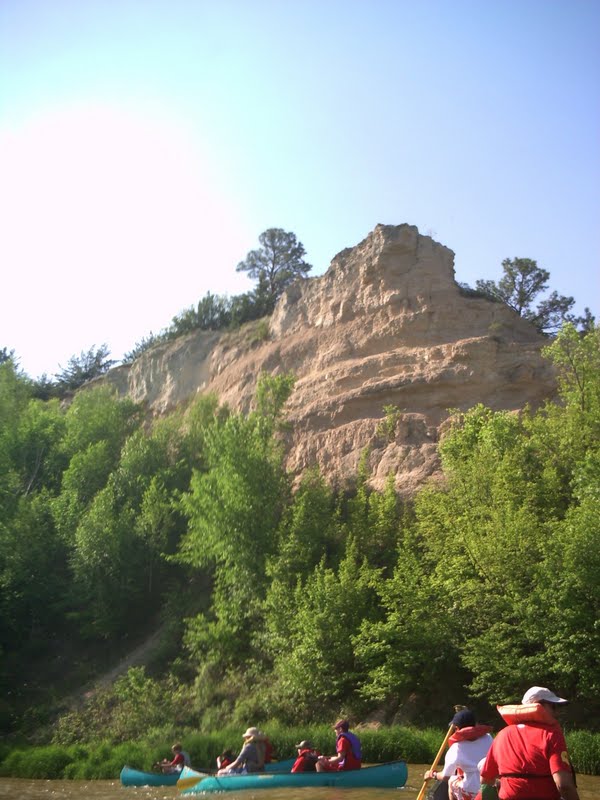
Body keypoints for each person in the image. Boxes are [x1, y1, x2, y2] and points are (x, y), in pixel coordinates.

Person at [479, 686, 580, 800]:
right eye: (553, 706)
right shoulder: (551, 734)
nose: (557, 711)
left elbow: (486, 780)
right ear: (538, 706)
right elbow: (564, 784)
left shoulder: (502, 734)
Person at [424, 708, 493, 800]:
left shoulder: (456, 748)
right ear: (476, 724)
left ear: (456, 728)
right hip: (489, 787)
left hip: (472, 791)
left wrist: (433, 774)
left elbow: (445, 776)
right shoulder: (488, 738)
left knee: (451, 781)